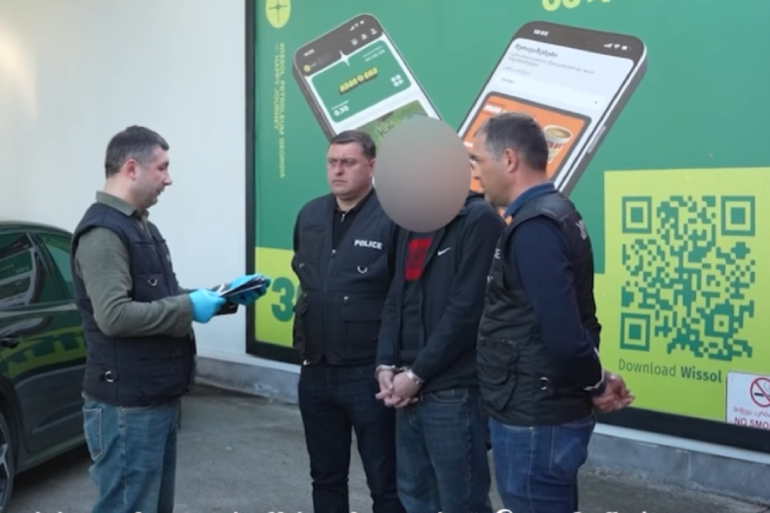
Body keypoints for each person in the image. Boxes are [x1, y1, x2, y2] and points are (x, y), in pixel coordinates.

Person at [71, 125, 268, 513]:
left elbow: (162, 297)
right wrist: (190, 307)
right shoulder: (104, 233)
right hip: (127, 405)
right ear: (132, 168)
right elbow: (114, 316)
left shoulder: (142, 226)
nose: (168, 178)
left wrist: (221, 296)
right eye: (161, 167)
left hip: (152, 397)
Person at [468, 112, 634, 513]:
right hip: (540, 410)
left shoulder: (536, 227)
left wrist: (595, 383)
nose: (475, 174)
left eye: (478, 160)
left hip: (534, 418)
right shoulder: (553, 214)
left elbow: (563, 333)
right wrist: (595, 378)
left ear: (509, 159)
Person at [291, 130, 404, 513]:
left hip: (369, 374)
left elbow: (402, 297)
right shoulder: (309, 215)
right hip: (316, 370)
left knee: (386, 482)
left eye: (348, 162)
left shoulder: (393, 217)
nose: (337, 170)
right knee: (325, 477)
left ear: (371, 166)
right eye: (332, 162)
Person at [374, 188, 505, 513]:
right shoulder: (411, 222)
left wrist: (417, 374)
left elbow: (467, 310)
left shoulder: (480, 220)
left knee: (462, 502)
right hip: (405, 389)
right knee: (415, 497)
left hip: (454, 391)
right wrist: (385, 364)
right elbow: (396, 298)